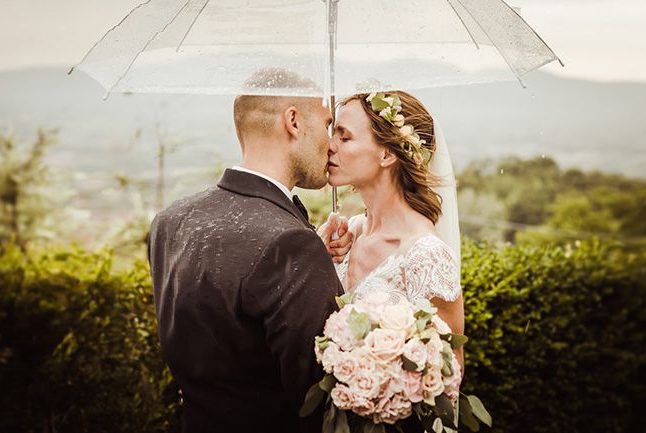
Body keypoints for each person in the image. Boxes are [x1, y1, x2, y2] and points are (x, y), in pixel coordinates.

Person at [146, 68, 355, 433]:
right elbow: (318, 397)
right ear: (293, 121)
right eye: (326, 124)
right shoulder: (291, 245)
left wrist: (311, 262)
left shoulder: (170, 222)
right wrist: (307, 260)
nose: (331, 143)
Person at [324, 90, 466, 369]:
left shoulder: (426, 257)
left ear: (387, 153)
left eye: (345, 136)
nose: (329, 145)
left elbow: (450, 370)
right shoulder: (347, 235)